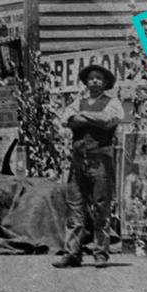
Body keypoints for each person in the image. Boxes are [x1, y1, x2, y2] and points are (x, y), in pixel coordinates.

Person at [53, 65, 124, 269]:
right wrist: (89, 117)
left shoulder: (113, 102)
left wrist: (83, 116)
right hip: (78, 160)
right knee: (75, 206)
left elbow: (108, 121)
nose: (94, 81)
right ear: (86, 82)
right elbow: (67, 119)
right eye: (91, 78)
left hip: (100, 160)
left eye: (99, 78)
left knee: (101, 207)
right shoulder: (78, 101)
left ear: (105, 83)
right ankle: (72, 253)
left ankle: (101, 253)